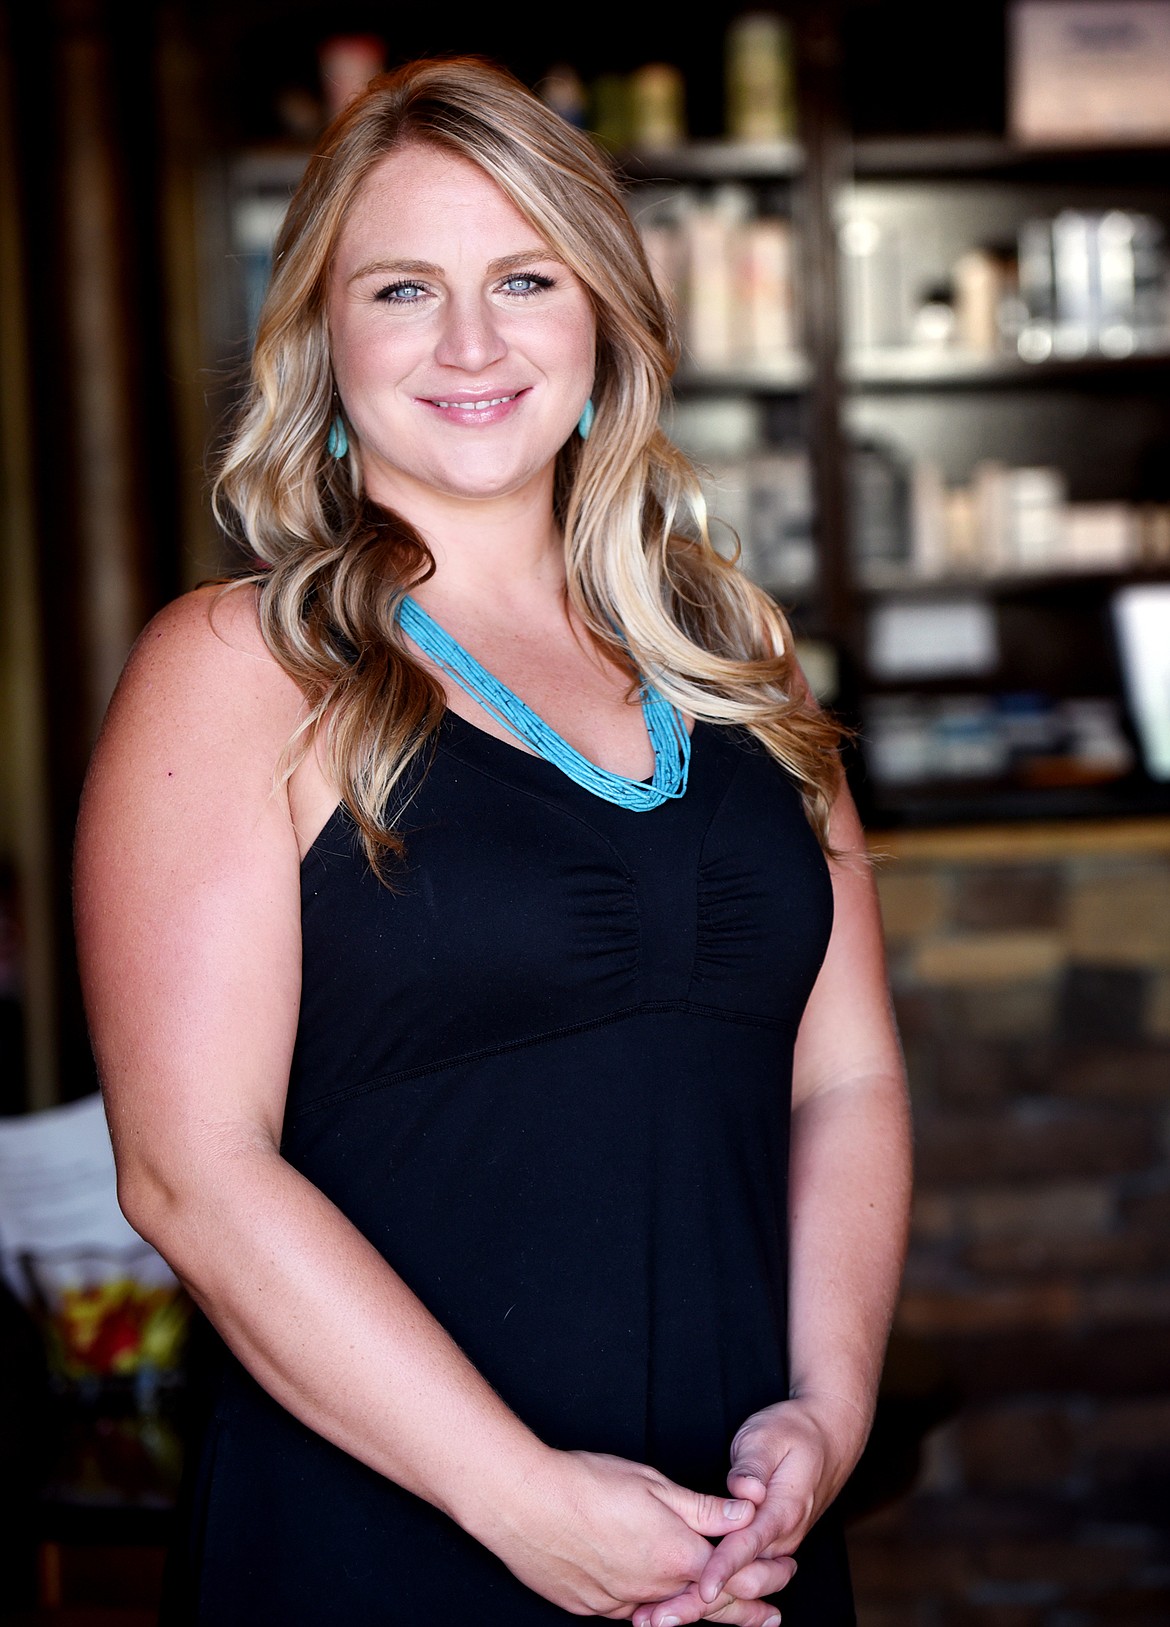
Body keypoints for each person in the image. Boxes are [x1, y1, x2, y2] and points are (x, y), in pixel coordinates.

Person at [74, 56, 911, 1627]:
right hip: (386, 1535)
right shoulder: (239, 669)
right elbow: (188, 1169)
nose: (470, 342)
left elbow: (847, 1075)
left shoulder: (734, 660)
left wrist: (828, 1410)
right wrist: (520, 1504)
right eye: (402, 289)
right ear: (326, 340)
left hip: (734, 1543)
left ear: (600, 319)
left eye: (524, 277)